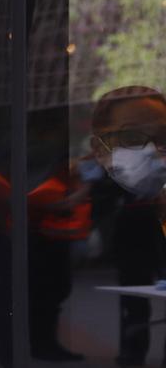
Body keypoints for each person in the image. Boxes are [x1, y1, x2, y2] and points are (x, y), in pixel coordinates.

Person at [86, 86, 166, 366]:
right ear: (99, 147)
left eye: (162, 136)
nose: (152, 149)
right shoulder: (103, 177)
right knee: (134, 301)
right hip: (132, 235)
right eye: (131, 136)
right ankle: (132, 353)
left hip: (151, 236)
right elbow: (98, 205)